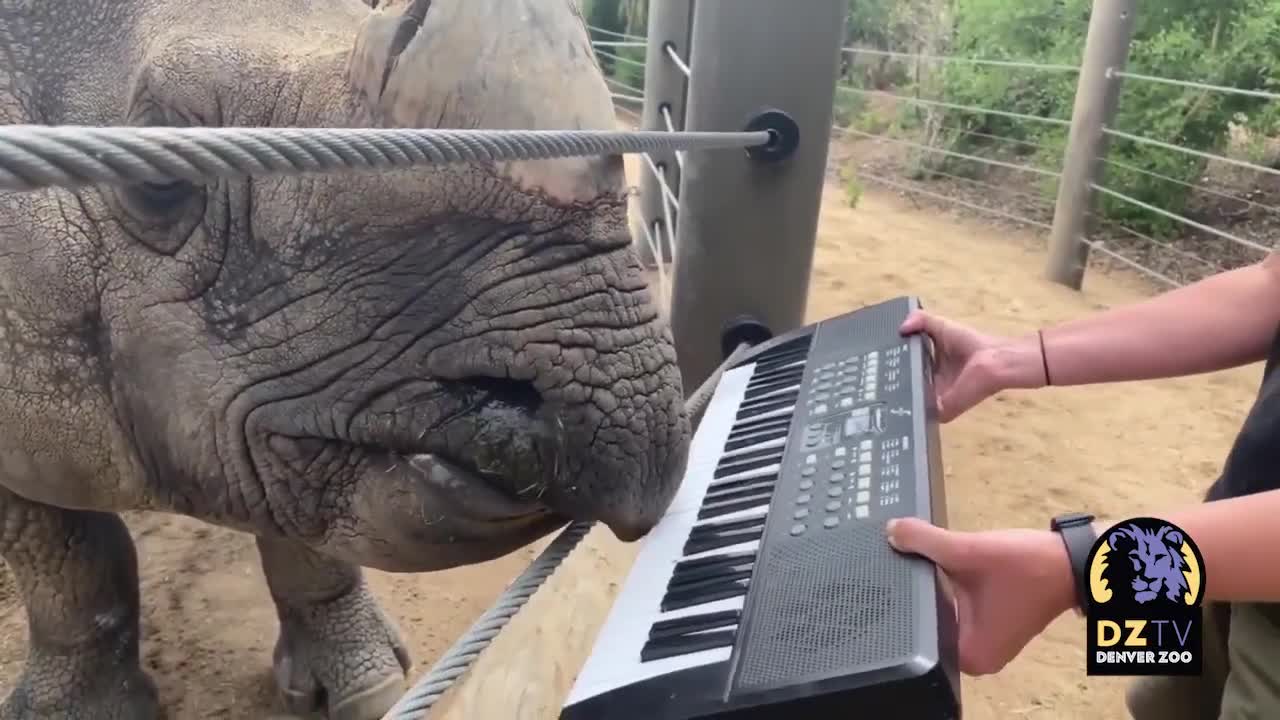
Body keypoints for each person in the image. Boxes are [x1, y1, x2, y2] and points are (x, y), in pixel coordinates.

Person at [888, 252, 1280, 720]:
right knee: (1158, 703)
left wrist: (1079, 567)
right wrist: (1008, 359)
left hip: (1212, 572)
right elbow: (1271, 283)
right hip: (1222, 542)